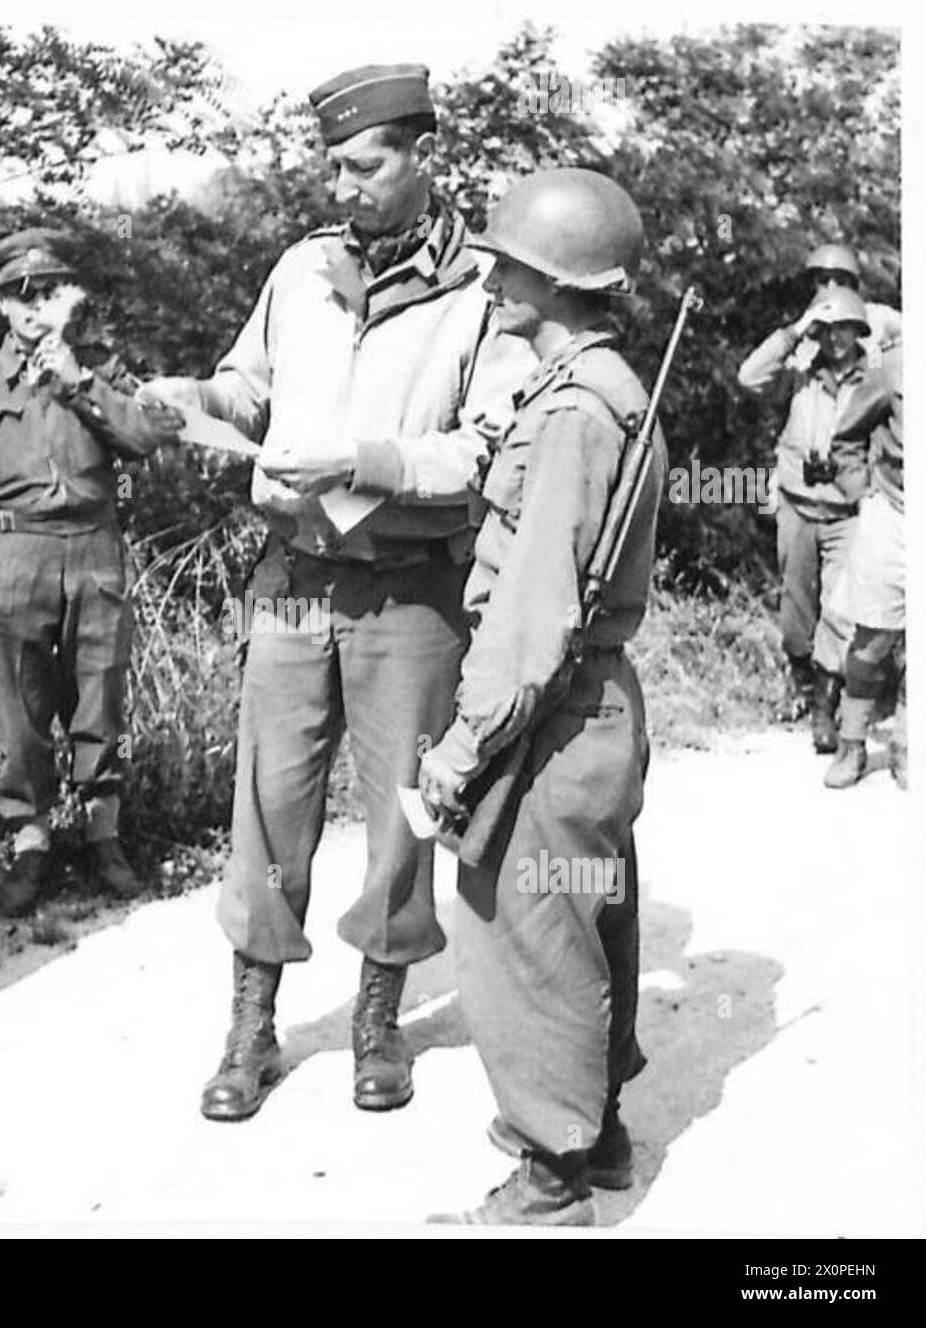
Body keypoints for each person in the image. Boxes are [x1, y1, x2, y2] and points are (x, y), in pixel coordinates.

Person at [139, 64, 535, 1122]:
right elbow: (250, 382)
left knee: (406, 807)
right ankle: (252, 1020)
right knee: (267, 802)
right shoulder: (302, 270)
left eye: (364, 164)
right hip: (293, 580)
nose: (343, 184)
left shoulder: (487, 293)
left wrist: (365, 461)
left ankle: (378, 1013)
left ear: (422, 155)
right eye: (332, 165)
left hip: (410, 589)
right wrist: (195, 397)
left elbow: (492, 449)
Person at [418, 167, 664, 1226]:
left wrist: (461, 745)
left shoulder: (573, 412)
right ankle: (594, 1128)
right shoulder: (606, 390)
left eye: (508, 260)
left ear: (559, 279)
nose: (489, 274)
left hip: (553, 711)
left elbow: (529, 613)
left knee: (521, 928)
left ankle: (547, 1175)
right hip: (592, 704)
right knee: (583, 909)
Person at [0, 228, 180, 911]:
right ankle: (29, 842)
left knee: (99, 698)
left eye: (48, 292)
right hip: (14, 558)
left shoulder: (98, 369)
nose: (35, 308)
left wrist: (77, 382)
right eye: (19, 295)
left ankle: (104, 835)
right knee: (21, 711)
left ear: (69, 297)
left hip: (94, 550)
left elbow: (145, 438)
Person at [738, 287, 877, 753]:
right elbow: (749, 377)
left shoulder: (873, 379)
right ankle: (802, 686)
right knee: (796, 615)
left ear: (859, 331)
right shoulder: (800, 374)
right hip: (797, 505)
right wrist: (796, 330)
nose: (836, 338)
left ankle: (825, 704)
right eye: (828, 328)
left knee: (840, 610)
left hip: (846, 512)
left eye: (846, 328)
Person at [823, 340, 906, 790]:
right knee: (872, 641)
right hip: (895, 512)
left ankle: (907, 748)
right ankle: (851, 742)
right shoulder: (895, 364)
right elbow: (846, 437)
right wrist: (861, 493)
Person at [802, 243, 901, 365]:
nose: (832, 287)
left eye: (841, 281)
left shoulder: (878, 317)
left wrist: (881, 356)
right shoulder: (805, 328)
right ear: (812, 286)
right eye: (823, 281)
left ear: (852, 285)